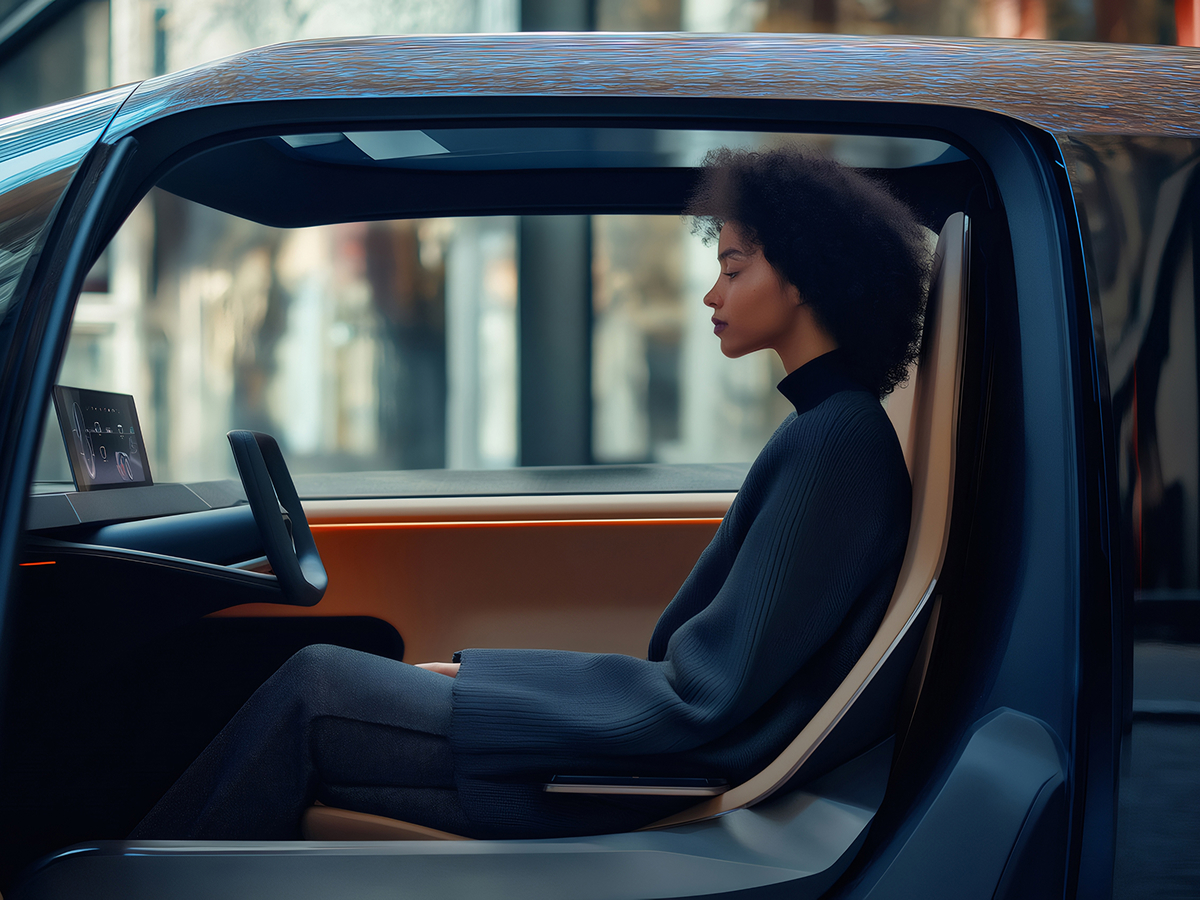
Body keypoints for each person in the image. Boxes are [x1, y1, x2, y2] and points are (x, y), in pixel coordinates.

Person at [131, 145, 930, 842]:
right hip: (665, 749)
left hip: (675, 762)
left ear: (808, 275)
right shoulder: (832, 429)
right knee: (323, 735)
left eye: (732, 268)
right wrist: (480, 676)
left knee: (317, 685)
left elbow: (706, 696)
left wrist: (491, 686)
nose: (710, 297)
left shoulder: (832, 441)